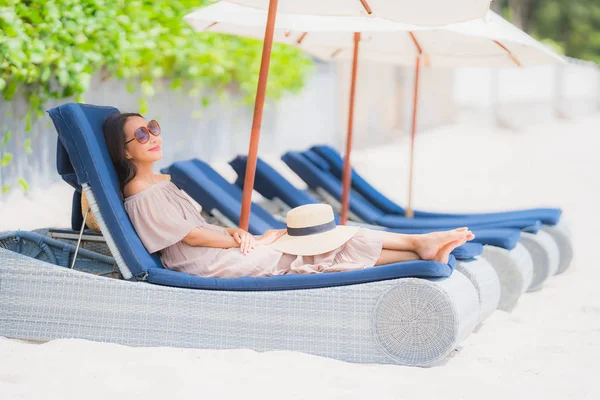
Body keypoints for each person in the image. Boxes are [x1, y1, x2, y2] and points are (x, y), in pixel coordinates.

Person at [103, 112, 474, 278]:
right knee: (313, 247)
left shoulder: (161, 182)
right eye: (140, 135)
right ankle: (417, 247)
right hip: (204, 262)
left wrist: (237, 234)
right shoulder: (138, 190)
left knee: (321, 239)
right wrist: (237, 239)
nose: (152, 137)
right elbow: (191, 237)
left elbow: (196, 229)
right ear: (124, 152)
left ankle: (417, 247)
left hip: (215, 250)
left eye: (152, 128)